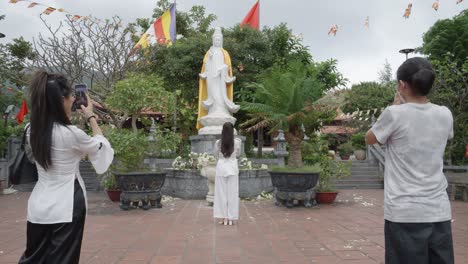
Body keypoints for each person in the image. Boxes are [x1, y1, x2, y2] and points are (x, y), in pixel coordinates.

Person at [19, 70, 114, 264]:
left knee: (34, 258)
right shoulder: (71, 134)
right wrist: (91, 117)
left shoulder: (30, 130)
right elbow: (100, 147)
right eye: (71, 96)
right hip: (67, 205)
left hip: (38, 205)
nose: (73, 99)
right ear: (61, 100)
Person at [365, 57, 454, 264]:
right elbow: (444, 135)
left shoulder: (394, 114)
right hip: (438, 210)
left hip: (404, 213)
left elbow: (370, 138)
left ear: (402, 85)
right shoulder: (445, 114)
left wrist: (395, 106)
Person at [213, 122, 241, 226]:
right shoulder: (237, 142)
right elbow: (238, 154)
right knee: (233, 194)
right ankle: (231, 218)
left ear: (222, 131)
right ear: (233, 131)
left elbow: (216, 154)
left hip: (221, 168)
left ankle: (223, 217)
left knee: (221, 194)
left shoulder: (218, 143)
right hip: (232, 168)